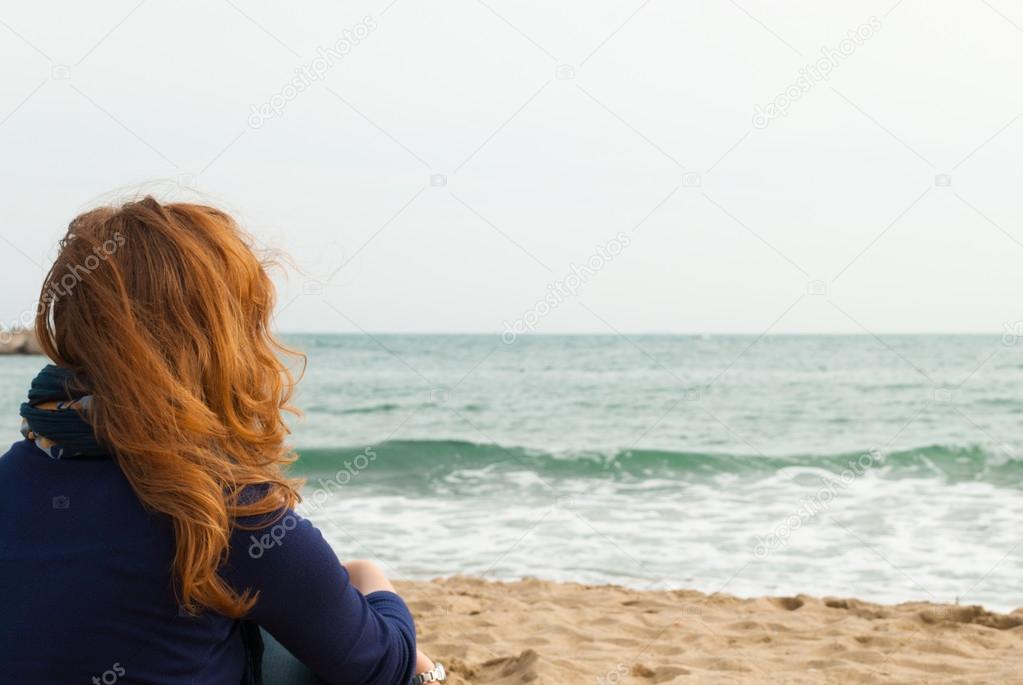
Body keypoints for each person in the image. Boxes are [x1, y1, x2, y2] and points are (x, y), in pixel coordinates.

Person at [0, 197, 443, 685]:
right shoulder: (223, 511)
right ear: (217, 338)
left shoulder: (12, 476)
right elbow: (382, 666)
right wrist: (370, 577)